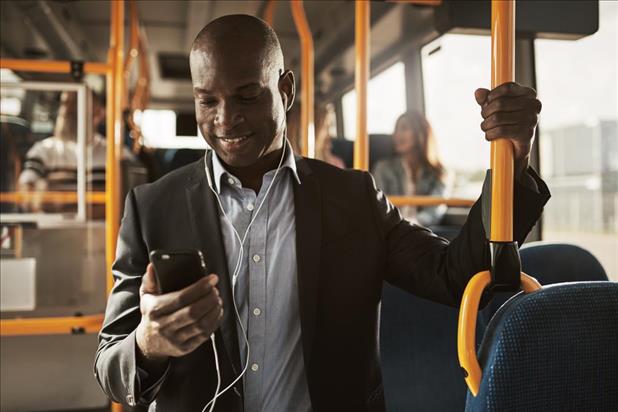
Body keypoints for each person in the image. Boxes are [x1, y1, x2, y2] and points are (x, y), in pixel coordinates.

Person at [94, 15, 549, 412]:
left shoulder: (352, 198)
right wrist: (149, 344)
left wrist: (512, 160)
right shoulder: (151, 207)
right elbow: (111, 368)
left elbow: (456, 276)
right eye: (207, 101)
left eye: (248, 97)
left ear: (285, 89)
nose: (226, 119)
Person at [372, 111, 446, 226]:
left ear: (420, 133)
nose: (397, 135)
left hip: (423, 231)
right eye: (396, 130)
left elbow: (434, 211)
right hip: (391, 232)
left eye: (404, 128)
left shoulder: (439, 173)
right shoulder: (382, 168)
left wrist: (413, 225)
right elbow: (379, 209)